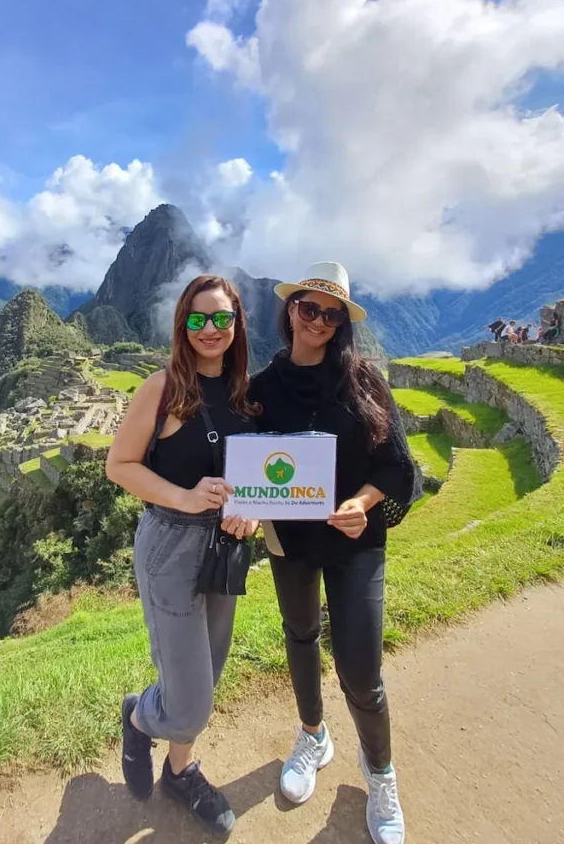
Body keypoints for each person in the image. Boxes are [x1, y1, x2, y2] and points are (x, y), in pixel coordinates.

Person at [247, 261, 417, 844]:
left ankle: (381, 775)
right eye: (308, 307)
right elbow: (249, 465)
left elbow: (395, 466)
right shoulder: (263, 389)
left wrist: (362, 504)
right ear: (290, 311)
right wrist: (244, 499)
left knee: (361, 671)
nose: (317, 319)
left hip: (354, 541)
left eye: (330, 312)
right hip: (291, 540)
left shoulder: (364, 382)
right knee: (299, 637)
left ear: (341, 322)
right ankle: (314, 735)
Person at [105, 274, 260, 838]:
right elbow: (119, 466)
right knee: (189, 697)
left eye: (222, 318)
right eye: (198, 319)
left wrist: (252, 510)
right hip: (171, 542)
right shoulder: (164, 386)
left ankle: (179, 769)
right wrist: (187, 497)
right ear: (183, 325)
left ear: (238, 322)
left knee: (208, 671)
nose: (211, 329)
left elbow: (256, 478)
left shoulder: (247, 391)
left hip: (225, 547)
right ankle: (141, 714)